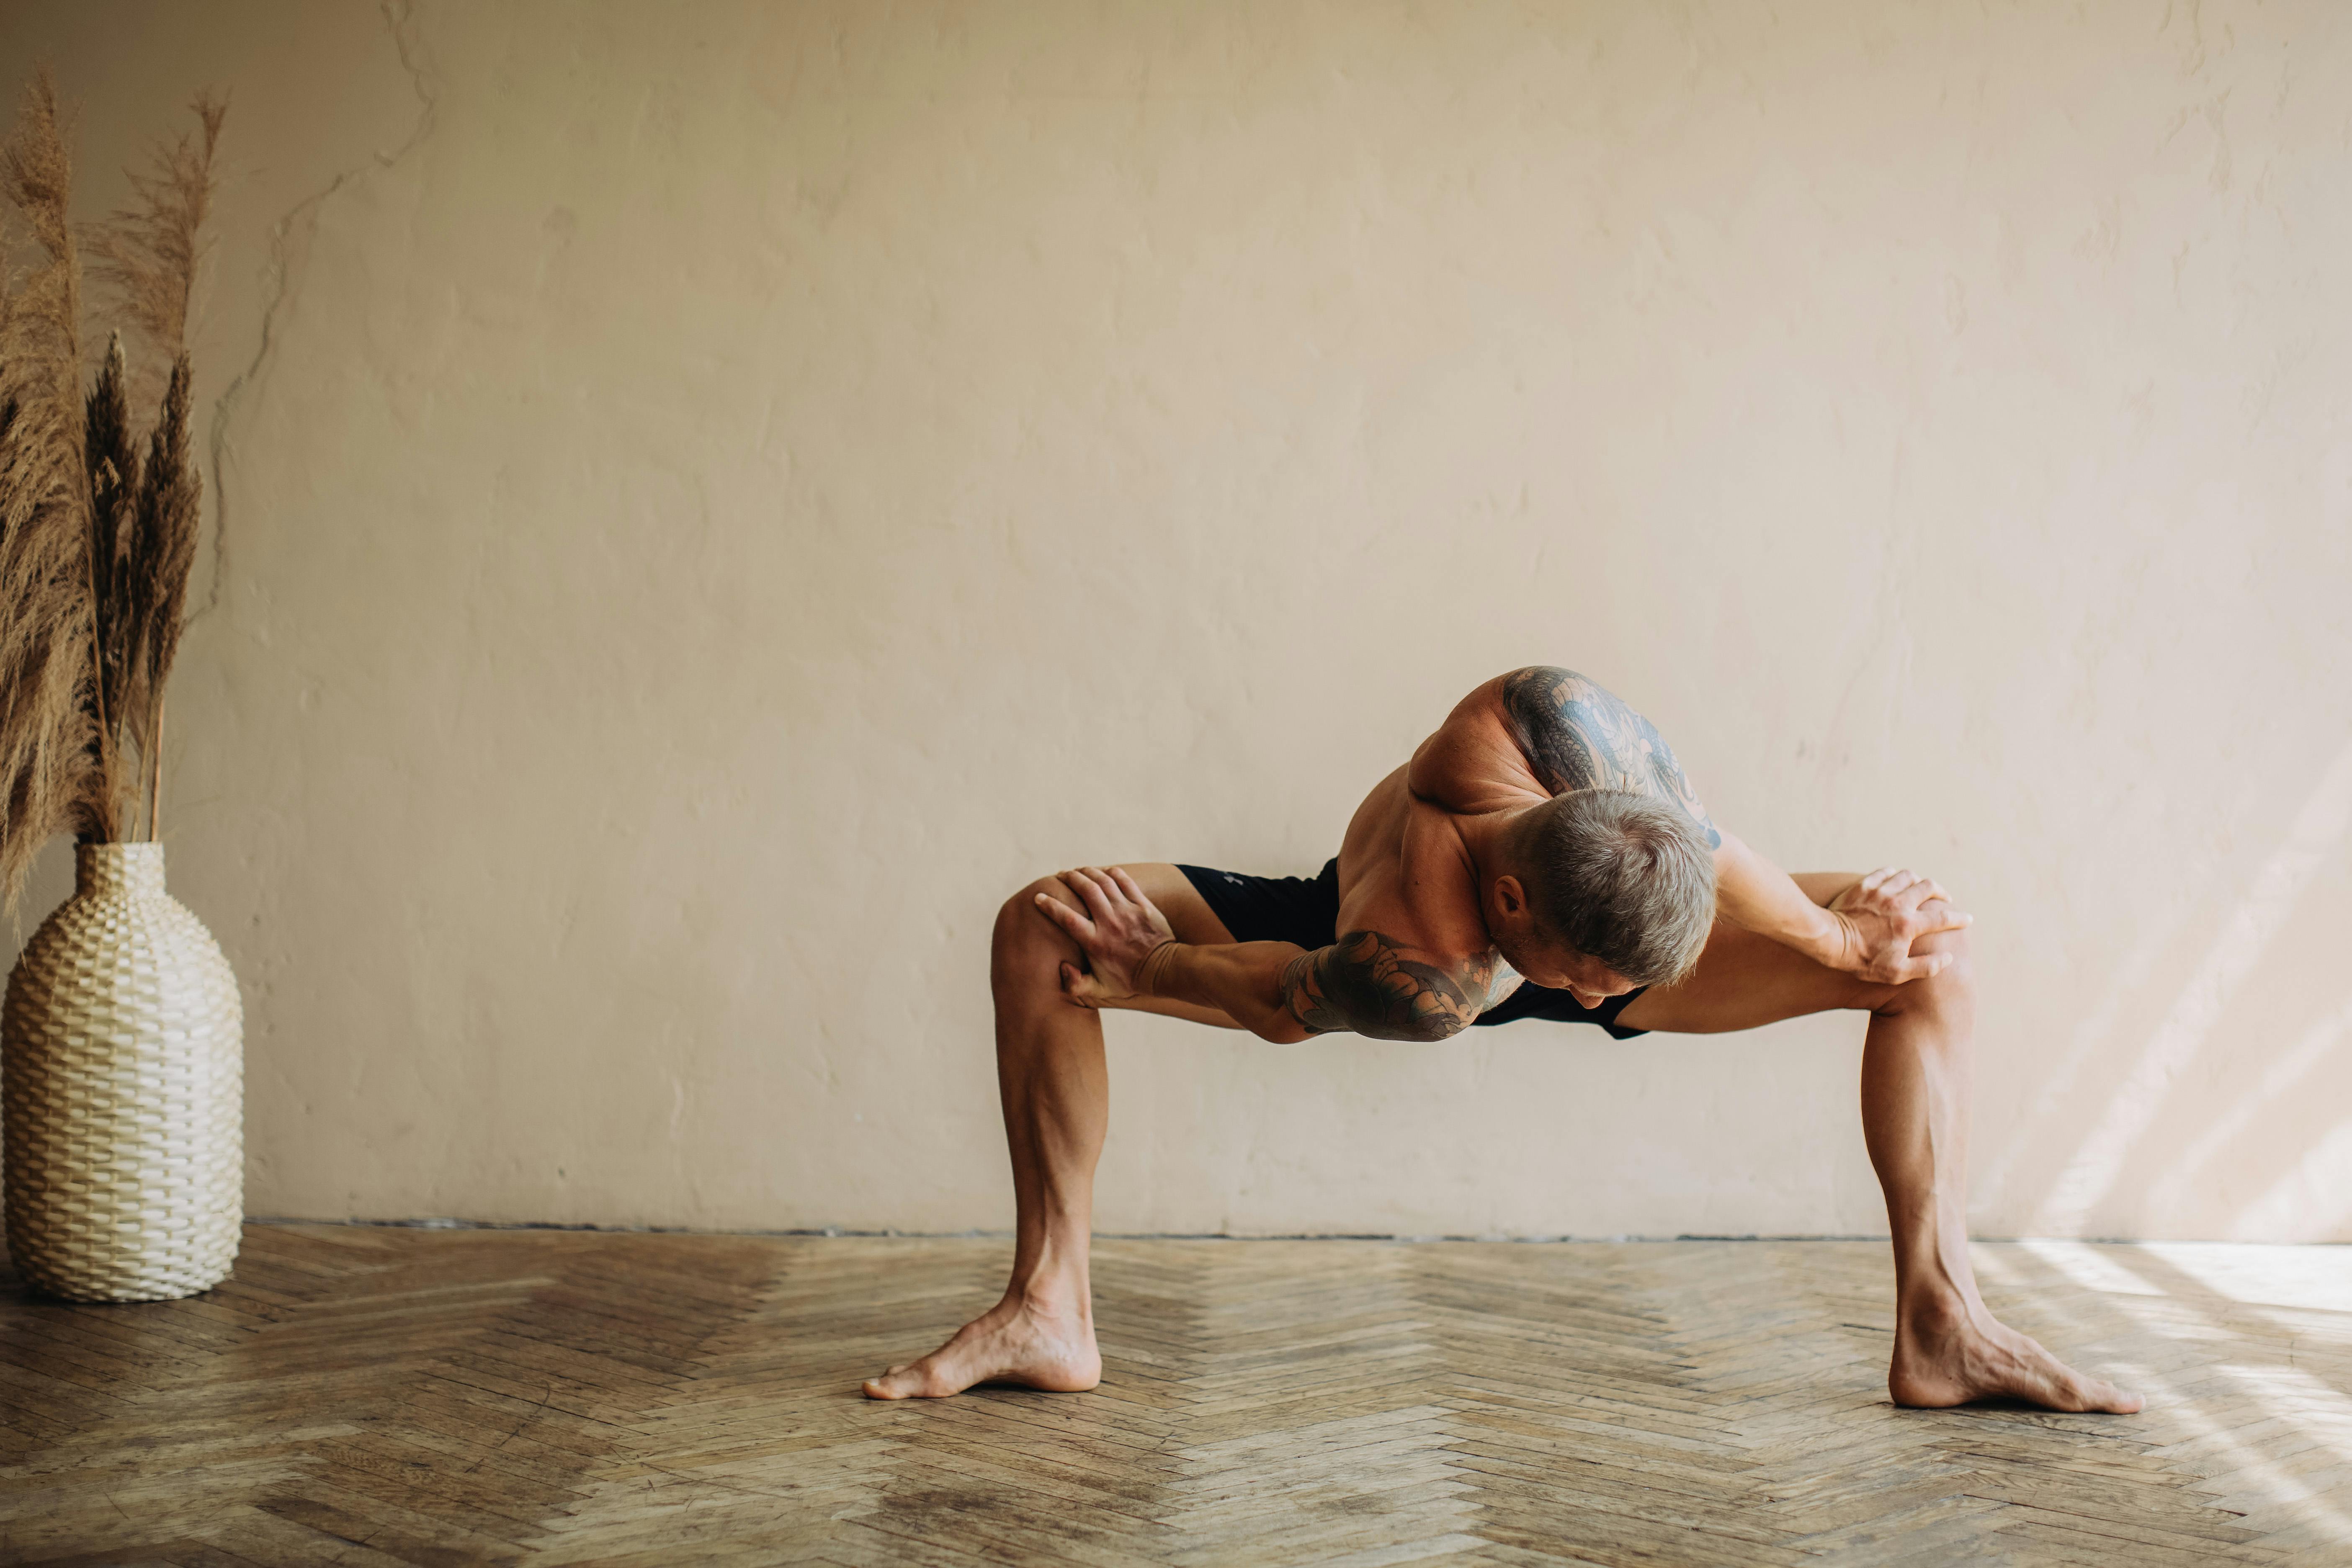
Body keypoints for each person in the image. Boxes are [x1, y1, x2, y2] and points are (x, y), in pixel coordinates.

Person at [863, 666, 2142, 1414]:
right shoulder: (1420, 971)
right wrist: (1156, 965)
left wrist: (1838, 941)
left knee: (1931, 959)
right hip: (1346, 942)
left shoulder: (1551, 725)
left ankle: (1942, 1321)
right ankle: (1049, 1307)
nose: (1591, 1008)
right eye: (1585, 986)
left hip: (1580, 901)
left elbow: (1695, 837)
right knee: (1043, 930)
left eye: (1612, 988)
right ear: (1516, 912)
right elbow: (1275, 1002)